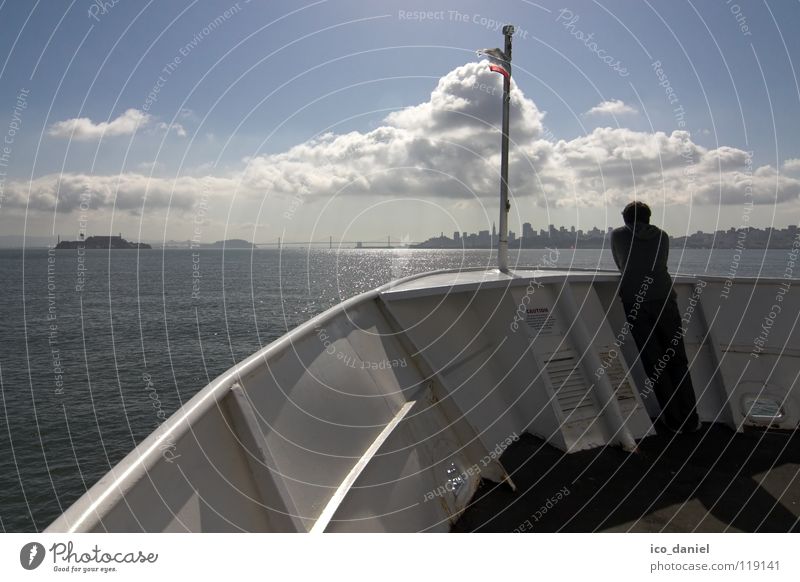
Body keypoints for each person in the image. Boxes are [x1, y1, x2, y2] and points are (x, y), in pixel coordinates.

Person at [611, 201, 700, 434]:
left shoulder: (619, 236)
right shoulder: (662, 236)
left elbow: (621, 264)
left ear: (626, 219)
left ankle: (672, 419)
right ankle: (691, 418)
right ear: (649, 218)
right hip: (664, 298)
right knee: (677, 359)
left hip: (636, 301)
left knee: (654, 361)